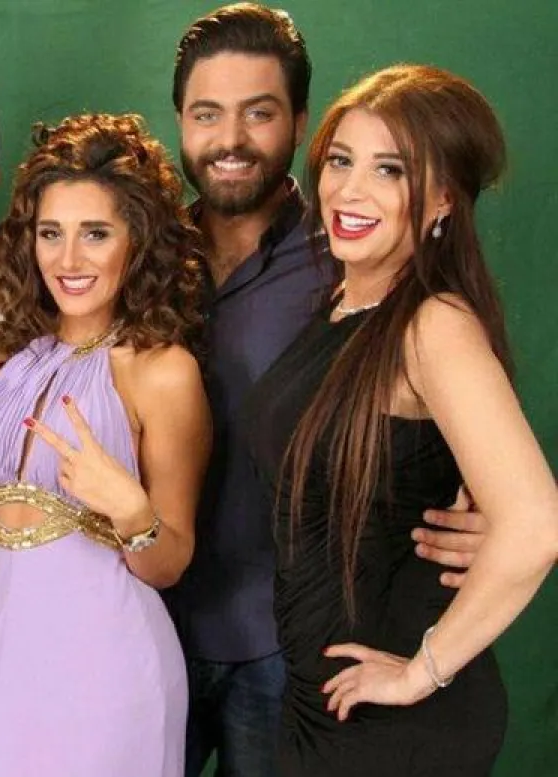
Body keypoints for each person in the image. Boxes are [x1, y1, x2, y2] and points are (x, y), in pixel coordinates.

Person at [164, 6, 490, 774]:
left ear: (302, 123)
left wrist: (484, 511)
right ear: (180, 121)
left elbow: (452, 405)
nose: (231, 138)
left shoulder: (354, 257)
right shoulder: (140, 252)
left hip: (288, 649)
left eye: (259, 113)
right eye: (207, 114)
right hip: (149, 622)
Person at [245, 64, 558, 776]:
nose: (350, 190)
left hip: (398, 723)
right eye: (341, 161)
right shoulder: (342, 307)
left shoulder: (433, 324)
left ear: (444, 197)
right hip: (324, 700)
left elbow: (536, 524)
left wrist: (422, 671)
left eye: (390, 170)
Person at [0, 113, 211, 777]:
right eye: (51, 233)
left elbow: (169, 564)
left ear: (137, 241)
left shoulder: (163, 373)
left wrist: (130, 510)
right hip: (4, 677)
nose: (68, 260)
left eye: (95, 233)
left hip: (113, 682)